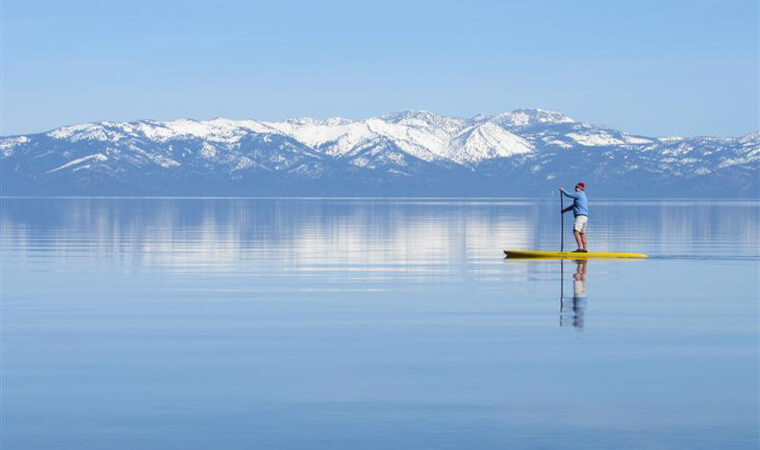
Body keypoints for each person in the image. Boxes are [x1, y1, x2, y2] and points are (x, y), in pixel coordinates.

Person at [560, 182, 589, 253]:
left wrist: (562, 190)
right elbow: (574, 206)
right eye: (576, 187)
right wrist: (565, 210)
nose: (576, 188)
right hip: (585, 217)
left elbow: (568, 195)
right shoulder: (582, 195)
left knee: (576, 231)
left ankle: (580, 248)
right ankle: (585, 249)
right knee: (582, 234)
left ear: (581, 188)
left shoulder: (579, 194)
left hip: (580, 216)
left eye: (577, 187)